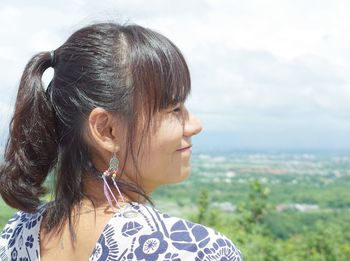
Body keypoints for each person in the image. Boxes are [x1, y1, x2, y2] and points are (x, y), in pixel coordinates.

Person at [0, 22, 243, 260]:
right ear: (107, 130)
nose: (195, 125)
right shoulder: (194, 251)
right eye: (174, 109)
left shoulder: (17, 234)